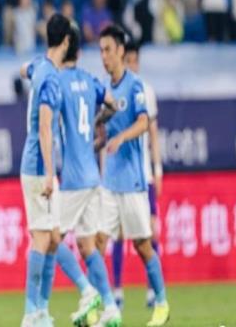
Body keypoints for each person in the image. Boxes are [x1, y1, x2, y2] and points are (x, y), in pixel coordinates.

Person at [98, 25, 169, 327]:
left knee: (142, 245)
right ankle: (106, 307)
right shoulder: (104, 89)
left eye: (108, 50)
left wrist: (121, 137)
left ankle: (161, 303)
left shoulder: (135, 86)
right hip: (108, 183)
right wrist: (98, 140)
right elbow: (103, 129)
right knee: (97, 244)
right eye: (101, 51)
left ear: (120, 51)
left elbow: (143, 123)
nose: (104, 56)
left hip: (133, 183)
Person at [54, 22, 120, 326]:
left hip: (73, 178)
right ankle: (111, 307)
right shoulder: (90, 80)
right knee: (86, 246)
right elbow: (113, 105)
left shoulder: (58, 82)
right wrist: (98, 123)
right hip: (93, 175)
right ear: (80, 52)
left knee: (50, 239)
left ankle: (87, 291)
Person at [19, 14, 70, 327]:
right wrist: (51, 172)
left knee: (53, 237)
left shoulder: (38, 66)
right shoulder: (50, 77)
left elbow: (22, 69)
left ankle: (41, 309)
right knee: (42, 238)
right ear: (66, 41)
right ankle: (30, 313)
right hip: (39, 166)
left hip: (38, 165)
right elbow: (45, 128)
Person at [112, 41, 163, 310]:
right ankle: (117, 291)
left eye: (135, 61)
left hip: (144, 175)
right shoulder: (114, 90)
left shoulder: (146, 90)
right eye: (128, 60)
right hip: (119, 175)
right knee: (119, 234)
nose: (132, 65)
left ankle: (153, 291)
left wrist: (157, 169)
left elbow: (152, 132)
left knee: (151, 231)